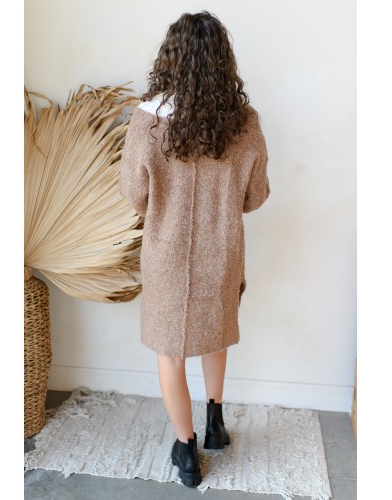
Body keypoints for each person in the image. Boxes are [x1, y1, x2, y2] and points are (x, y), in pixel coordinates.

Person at [118, 11, 271, 488]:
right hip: (221, 253)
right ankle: (215, 423)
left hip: (165, 255)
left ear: (171, 58)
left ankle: (186, 453)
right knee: (214, 333)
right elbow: (255, 197)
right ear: (223, 60)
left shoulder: (146, 122)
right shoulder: (244, 124)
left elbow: (134, 195)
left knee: (171, 352)